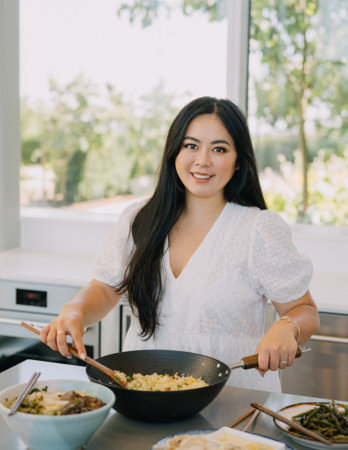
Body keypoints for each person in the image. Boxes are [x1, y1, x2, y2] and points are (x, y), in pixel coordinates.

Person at [40, 96, 319, 392]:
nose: (203, 161)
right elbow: (105, 289)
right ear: (174, 152)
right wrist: (75, 311)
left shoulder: (259, 229)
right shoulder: (138, 219)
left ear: (238, 162)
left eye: (219, 149)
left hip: (235, 399)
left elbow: (304, 310)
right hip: (146, 396)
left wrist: (286, 327)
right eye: (191, 146)